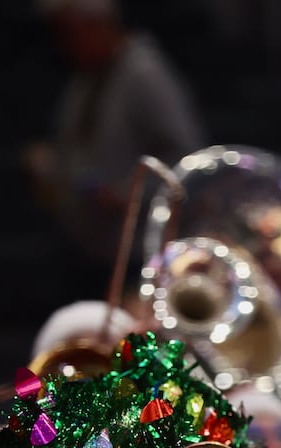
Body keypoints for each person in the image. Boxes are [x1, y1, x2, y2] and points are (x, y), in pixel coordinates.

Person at [26, 0, 206, 274]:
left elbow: (187, 155)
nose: (63, 45)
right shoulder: (88, 77)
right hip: (93, 247)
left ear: (98, 25)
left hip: (137, 255)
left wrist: (127, 194)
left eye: (69, 33)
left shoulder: (144, 74)